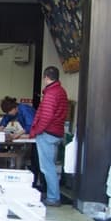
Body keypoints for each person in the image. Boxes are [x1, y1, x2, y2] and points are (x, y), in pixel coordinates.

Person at [29, 66, 69, 207]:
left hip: (47, 133)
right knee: (50, 165)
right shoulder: (61, 91)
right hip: (56, 132)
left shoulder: (51, 94)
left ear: (46, 77)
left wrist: (35, 131)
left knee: (47, 167)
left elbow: (46, 116)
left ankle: (53, 197)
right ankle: (52, 194)